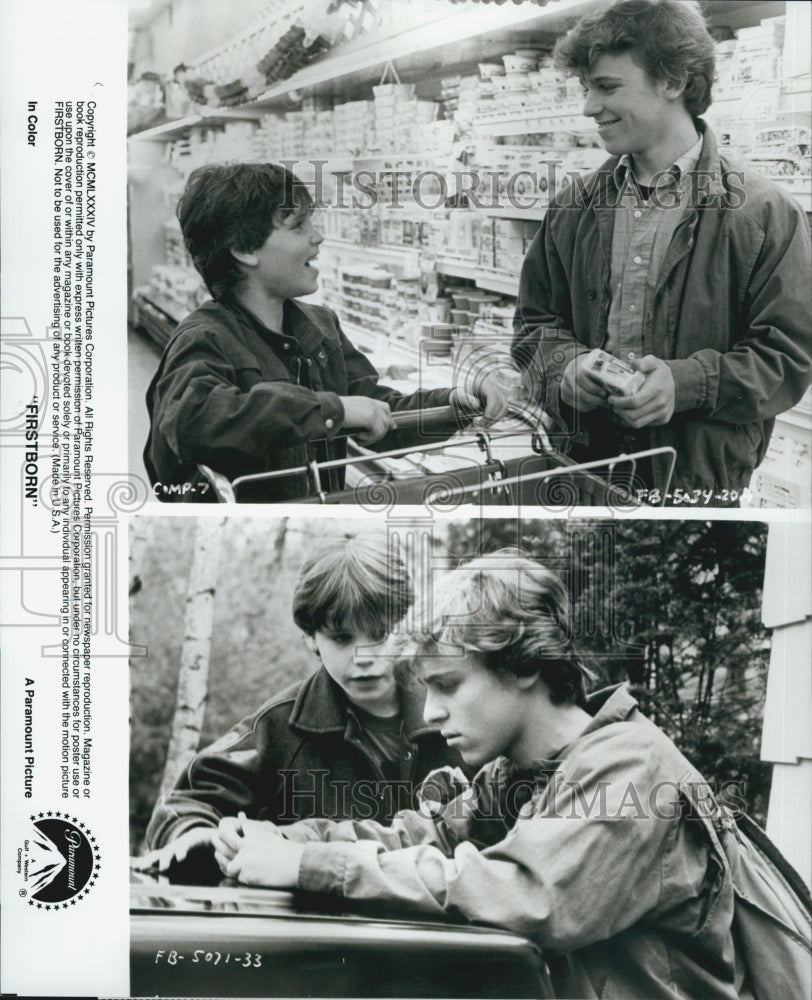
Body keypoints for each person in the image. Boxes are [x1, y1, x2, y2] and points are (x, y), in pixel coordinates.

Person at [210, 550, 766, 998]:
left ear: (522, 664)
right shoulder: (519, 773)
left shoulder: (632, 770)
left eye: (447, 684)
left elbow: (523, 896)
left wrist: (315, 868)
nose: (428, 713)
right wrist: (286, 839)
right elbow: (427, 836)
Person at [511, 0, 811, 506]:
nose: (588, 107)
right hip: (583, 467)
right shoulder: (572, 207)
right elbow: (533, 327)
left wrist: (685, 383)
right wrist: (564, 368)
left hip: (696, 483)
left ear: (673, 81)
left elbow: (786, 358)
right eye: (587, 89)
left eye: (606, 87)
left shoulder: (764, 214)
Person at [144, 161, 512, 503]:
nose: (317, 237)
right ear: (244, 248)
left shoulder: (320, 328)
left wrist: (452, 404)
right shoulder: (205, 338)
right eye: (298, 226)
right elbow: (195, 422)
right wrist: (333, 410)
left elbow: (378, 409)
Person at [136, 532, 466, 873]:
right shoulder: (280, 727)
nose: (363, 656)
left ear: (408, 626)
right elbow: (187, 804)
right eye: (341, 637)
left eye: (381, 634)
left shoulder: (458, 715)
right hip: (320, 921)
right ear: (311, 639)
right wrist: (199, 834)